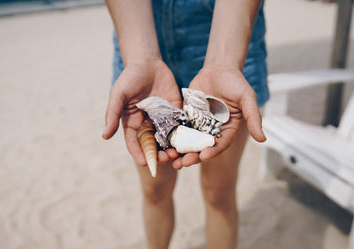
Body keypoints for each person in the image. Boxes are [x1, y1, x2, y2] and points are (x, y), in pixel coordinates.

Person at [102, 0, 269, 248]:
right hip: (139, 34)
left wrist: (225, 61)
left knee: (219, 192)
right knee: (155, 190)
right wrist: (141, 58)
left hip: (229, 35)